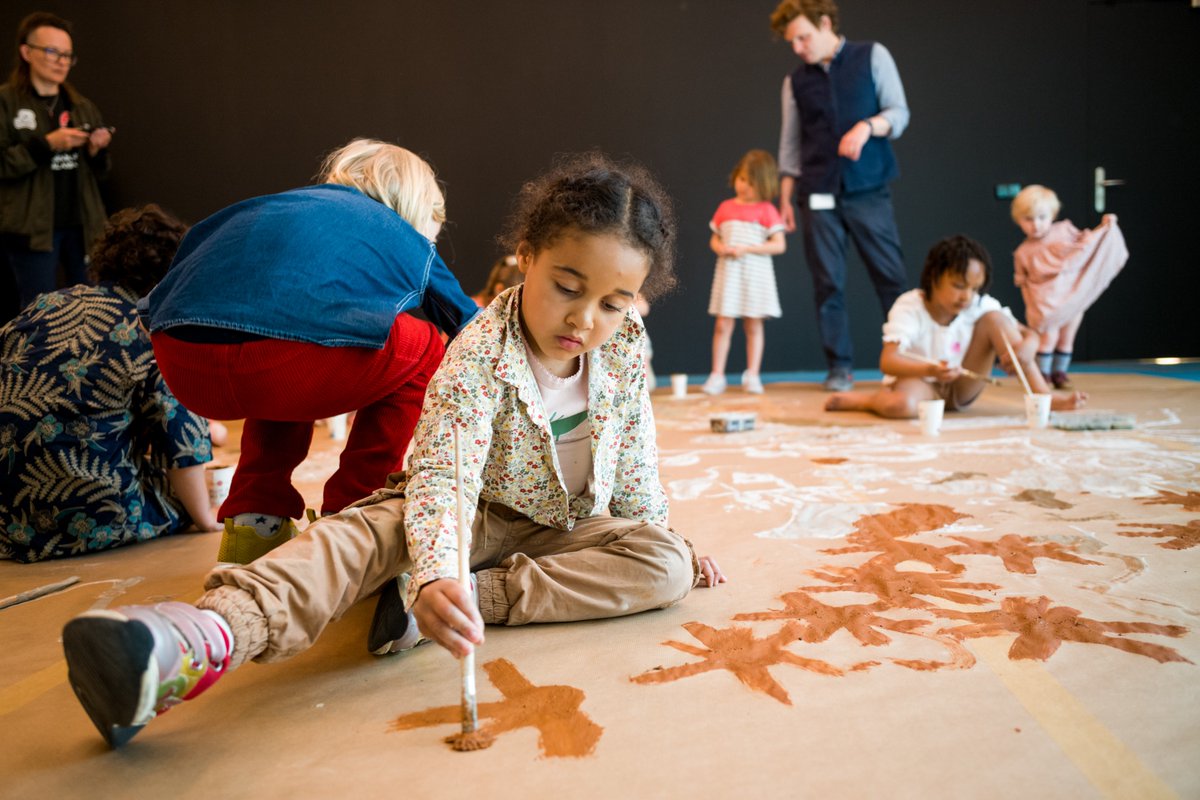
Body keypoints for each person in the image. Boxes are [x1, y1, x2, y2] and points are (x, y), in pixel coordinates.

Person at [60, 152, 727, 749]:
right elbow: (440, 478)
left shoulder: (625, 345)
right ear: (527, 255)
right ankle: (193, 640)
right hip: (462, 513)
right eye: (568, 287)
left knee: (664, 564)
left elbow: (637, 458)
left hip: (565, 528)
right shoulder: (474, 352)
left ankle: (459, 598)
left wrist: (656, 533)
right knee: (352, 538)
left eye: (612, 302)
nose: (586, 321)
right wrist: (436, 566)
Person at [143, 139, 478, 564]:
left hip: (181, 361)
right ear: (415, 206)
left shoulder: (276, 206)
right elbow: (473, 327)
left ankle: (254, 522)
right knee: (427, 345)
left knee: (294, 332)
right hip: (278, 361)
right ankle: (356, 513)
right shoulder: (399, 232)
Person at [0, 205, 219, 563]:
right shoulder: (150, 328)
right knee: (179, 494)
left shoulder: (44, 305)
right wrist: (205, 519)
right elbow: (184, 443)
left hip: (7, 520)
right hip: (85, 518)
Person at [770, 0, 910, 392]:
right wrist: (785, 198)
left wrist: (868, 126)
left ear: (826, 23)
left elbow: (899, 112)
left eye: (804, 36)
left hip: (868, 189)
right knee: (827, 283)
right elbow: (790, 145)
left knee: (890, 277)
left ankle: (905, 362)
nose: (798, 47)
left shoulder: (872, 56)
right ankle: (839, 368)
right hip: (816, 193)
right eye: (792, 41)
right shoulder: (795, 81)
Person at [824, 235, 1088, 418]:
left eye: (974, 288)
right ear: (933, 278)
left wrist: (1028, 348)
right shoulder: (910, 307)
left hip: (963, 386)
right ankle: (868, 400)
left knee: (997, 320)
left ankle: (1044, 397)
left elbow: (1027, 333)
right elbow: (888, 361)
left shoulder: (978, 304)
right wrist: (930, 369)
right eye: (958, 286)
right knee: (900, 406)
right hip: (921, 384)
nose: (966, 296)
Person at [0, 12, 113, 319]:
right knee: (38, 313)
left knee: (92, 308)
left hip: (83, 226)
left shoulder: (81, 104)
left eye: (67, 55)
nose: (61, 61)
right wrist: (48, 144)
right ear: (27, 52)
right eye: (52, 52)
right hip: (33, 231)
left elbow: (101, 173)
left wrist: (96, 150)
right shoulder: (7, 102)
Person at [1010, 185, 1128, 389]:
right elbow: (1023, 283)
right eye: (1028, 219)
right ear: (1019, 220)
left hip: (1071, 295)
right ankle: (1043, 375)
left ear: (1052, 215)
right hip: (1045, 304)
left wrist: (1104, 228)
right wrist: (1031, 309)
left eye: (1041, 217)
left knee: (1066, 338)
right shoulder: (1023, 252)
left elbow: (1087, 243)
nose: (1036, 225)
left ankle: (1059, 373)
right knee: (1048, 339)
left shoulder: (1064, 231)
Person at [702, 149, 786, 396]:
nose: (744, 187)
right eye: (741, 179)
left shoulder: (767, 210)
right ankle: (717, 375)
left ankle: (752, 374)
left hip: (756, 275)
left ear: (763, 184)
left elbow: (779, 244)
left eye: (750, 183)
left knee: (754, 325)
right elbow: (714, 239)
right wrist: (721, 248)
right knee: (722, 324)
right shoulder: (725, 207)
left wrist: (748, 249)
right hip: (729, 274)